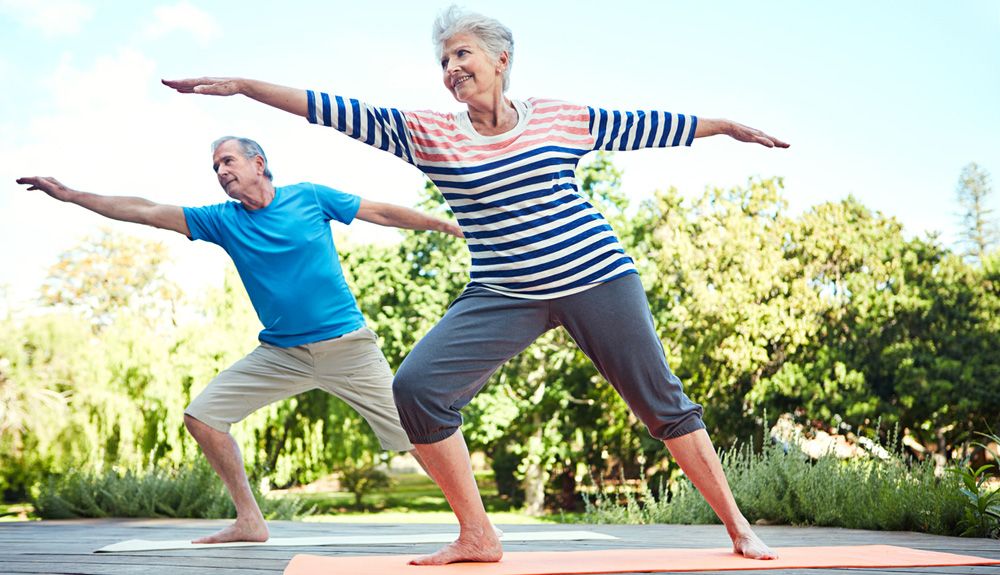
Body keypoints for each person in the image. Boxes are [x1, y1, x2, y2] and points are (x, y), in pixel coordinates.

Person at [163, 6, 790, 564]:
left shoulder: (561, 118)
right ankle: (478, 536)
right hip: (503, 291)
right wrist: (245, 87)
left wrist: (724, 125)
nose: (451, 68)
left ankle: (738, 527)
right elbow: (333, 110)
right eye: (443, 60)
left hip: (596, 276)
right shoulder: (431, 135)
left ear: (501, 60)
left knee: (660, 403)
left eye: (462, 54)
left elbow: (649, 124)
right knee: (417, 389)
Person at [16, 135, 463, 545]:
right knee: (203, 417)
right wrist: (72, 196)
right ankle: (250, 520)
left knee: (417, 433)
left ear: (258, 163)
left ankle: (474, 524)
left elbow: (382, 212)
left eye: (227, 161)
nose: (221, 171)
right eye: (215, 167)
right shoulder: (221, 220)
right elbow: (146, 211)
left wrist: (447, 227)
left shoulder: (308, 197)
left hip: (348, 349)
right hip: (280, 354)